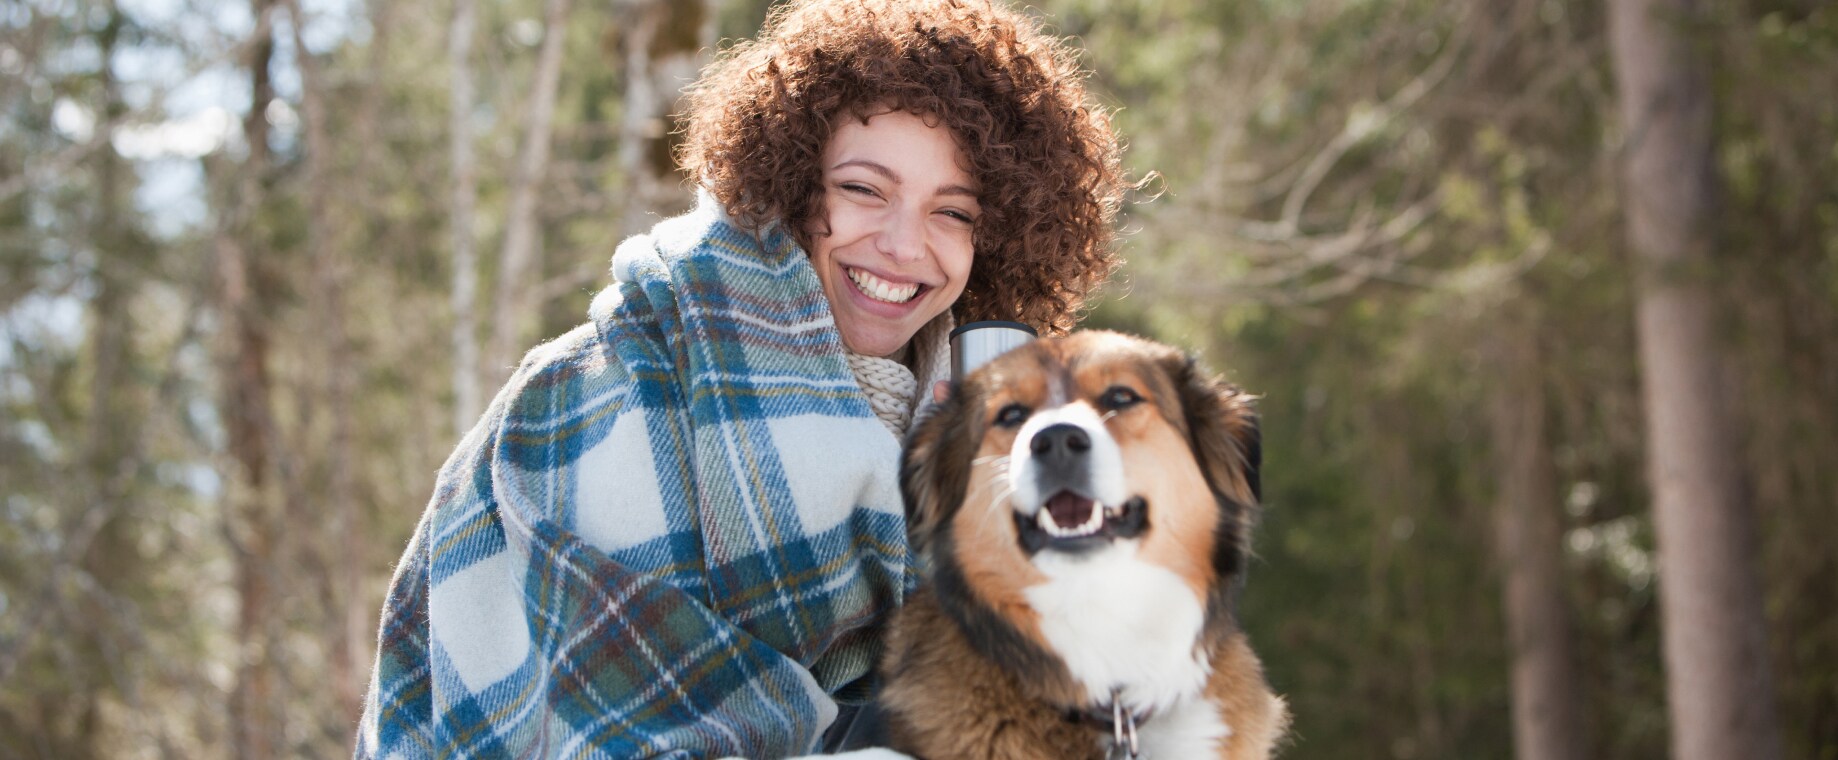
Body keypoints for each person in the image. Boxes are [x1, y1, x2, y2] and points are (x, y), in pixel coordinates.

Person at [355, 0, 1126, 757]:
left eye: (952, 213)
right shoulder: (602, 394)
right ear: (791, 182)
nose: (902, 245)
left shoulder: (967, 431)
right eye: (863, 190)